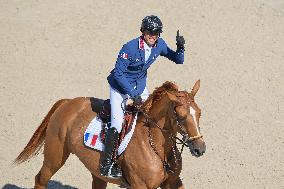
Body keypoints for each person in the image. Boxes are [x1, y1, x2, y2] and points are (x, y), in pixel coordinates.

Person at [100, 15, 186, 178]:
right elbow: (118, 74)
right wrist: (132, 94)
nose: (152, 35)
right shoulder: (129, 48)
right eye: (149, 32)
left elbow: (178, 60)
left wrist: (181, 47)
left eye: (156, 33)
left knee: (151, 117)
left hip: (139, 86)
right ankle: (106, 163)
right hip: (120, 88)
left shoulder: (159, 44)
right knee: (118, 124)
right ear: (142, 32)